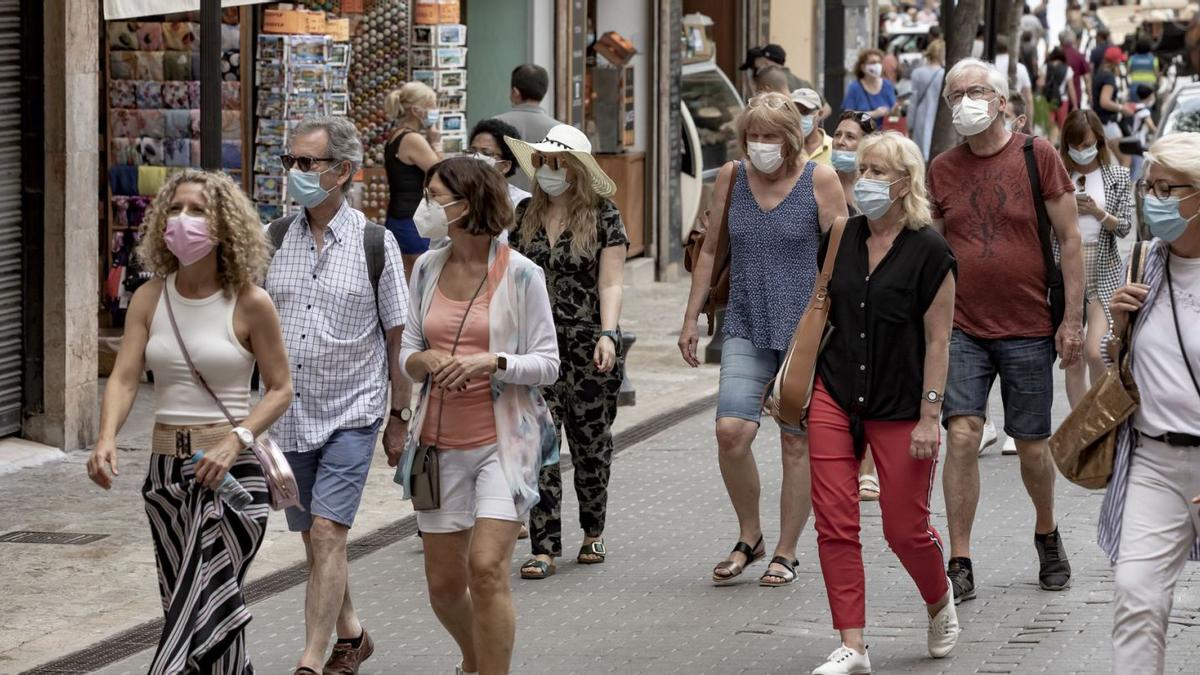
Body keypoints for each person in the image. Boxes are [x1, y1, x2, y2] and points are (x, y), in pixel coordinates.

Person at [87, 170, 293, 673]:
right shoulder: (150, 297)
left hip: (230, 474)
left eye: (197, 210)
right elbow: (125, 377)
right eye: (176, 209)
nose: (183, 220)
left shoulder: (249, 301)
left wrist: (235, 440)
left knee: (201, 602)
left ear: (224, 224)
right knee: (189, 602)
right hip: (164, 476)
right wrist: (106, 436)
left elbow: (281, 389)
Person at [927, 58, 1085, 605]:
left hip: (1028, 326)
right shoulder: (941, 168)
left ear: (999, 99)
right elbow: (935, 252)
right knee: (964, 436)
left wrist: (1071, 321)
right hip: (964, 326)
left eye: (975, 91)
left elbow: (1070, 239)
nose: (965, 102)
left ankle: (1046, 532)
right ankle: (960, 557)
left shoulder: (1036, 156)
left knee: (1034, 448)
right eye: (955, 95)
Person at [398, 157, 560, 675]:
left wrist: (493, 362)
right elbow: (408, 348)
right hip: (437, 449)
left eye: (434, 195)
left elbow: (549, 364)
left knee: (486, 568)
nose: (425, 205)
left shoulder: (520, 274)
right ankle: (475, 660)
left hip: (502, 447)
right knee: (444, 588)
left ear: (464, 205)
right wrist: (423, 361)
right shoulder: (426, 266)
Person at [678, 92, 847, 588]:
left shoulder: (821, 179)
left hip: (804, 331)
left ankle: (787, 550)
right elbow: (710, 250)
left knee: (796, 443)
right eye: (754, 136)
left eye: (771, 136)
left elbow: (842, 254)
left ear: (793, 139)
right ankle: (748, 536)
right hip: (746, 321)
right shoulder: (731, 177)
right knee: (732, 432)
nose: (761, 145)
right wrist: (690, 318)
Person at [807, 131, 960, 675]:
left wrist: (930, 416)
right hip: (834, 392)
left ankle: (939, 597)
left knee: (904, 528)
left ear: (904, 184)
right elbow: (824, 307)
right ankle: (853, 643)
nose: (863, 179)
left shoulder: (931, 251)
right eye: (861, 170)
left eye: (876, 172)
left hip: (902, 405)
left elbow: (940, 341)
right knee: (834, 521)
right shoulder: (842, 234)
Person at [267, 116, 412, 675]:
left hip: (353, 413)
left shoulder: (377, 243)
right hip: (289, 416)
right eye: (291, 163)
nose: (295, 174)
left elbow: (399, 339)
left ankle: (310, 658)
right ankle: (351, 633)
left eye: (307, 164)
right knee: (314, 537)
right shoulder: (274, 238)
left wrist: (398, 417)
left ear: (344, 172)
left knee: (328, 531)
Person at [504, 124, 628, 580]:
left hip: (587, 343)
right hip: (537, 347)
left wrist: (608, 334)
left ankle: (592, 530)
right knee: (539, 444)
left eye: (557, 162)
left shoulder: (604, 215)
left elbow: (611, 281)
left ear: (577, 168)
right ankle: (544, 546)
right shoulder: (524, 217)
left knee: (591, 445)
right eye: (542, 162)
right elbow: (511, 278)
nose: (548, 171)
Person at [1099, 132, 1200, 675]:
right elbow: (1114, 365)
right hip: (1154, 461)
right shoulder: (1143, 261)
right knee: (1136, 598)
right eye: (1149, 186)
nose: (1153, 199)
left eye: (1168, 189)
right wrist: (1116, 330)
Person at [1059, 109, 1134, 409]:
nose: (1081, 152)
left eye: (1087, 144)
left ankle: (1101, 417)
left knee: (1096, 350)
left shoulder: (1117, 176)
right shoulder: (1059, 174)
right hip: (1065, 266)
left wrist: (1098, 212)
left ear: (1099, 142)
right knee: (1071, 357)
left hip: (1102, 268)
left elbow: (1126, 226)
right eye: (1075, 146)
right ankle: (1081, 428)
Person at [830, 109, 885, 502]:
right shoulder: (822, 183)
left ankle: (868, 468)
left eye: (851, 137)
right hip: (836, 300)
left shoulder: (872, 190)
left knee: (869, 383)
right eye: (838, 136)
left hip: (873, 300)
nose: (842, 143)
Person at [384, 81, 442, 279]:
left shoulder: (396, 135)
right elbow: (442, 173)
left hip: (399, 215)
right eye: (432, 106)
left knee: (407, 276)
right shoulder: (412, 139)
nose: (435, 111)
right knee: (418, 279)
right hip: (412, 219)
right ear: (417, 111)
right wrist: (436, 143)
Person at [496, 64, 563, 192]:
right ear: (544, 92)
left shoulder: (494, 125)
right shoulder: (560, 130)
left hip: (502, 204)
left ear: (515, 92)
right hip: (544, 206)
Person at [738, 43, 830, 117]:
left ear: (766, 62)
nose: (755, 71)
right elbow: (826, 109)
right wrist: (809, 125)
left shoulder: (770, 82)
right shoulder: (804, 83)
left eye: (755, 67)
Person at [467, 117, 531, 213]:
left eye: (486, 153)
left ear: (505, 166)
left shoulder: (523, 203)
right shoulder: (458, 197)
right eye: (472, 151)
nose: (476, 157)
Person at [908, 39, 945, 160]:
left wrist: (910, 123)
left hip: (921, 114)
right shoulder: (944, 74)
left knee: (919, 150)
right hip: (939, 115)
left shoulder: (917, 73)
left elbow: (913, 101)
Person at [842, 49, 897, 126]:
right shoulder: (855, 87)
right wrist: (874, 113)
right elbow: (847, 114)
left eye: (879, 62)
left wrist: (898, 108)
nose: (877, 66)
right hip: (863, 135)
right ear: (863, 67)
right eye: (873, 62)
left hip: (884, 134)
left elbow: (892, 111)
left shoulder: (887, 85)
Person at [1094, 46, 1128, 165]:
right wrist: (1122, 108)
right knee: (1125, 159)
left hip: (1100, 123)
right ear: (1115, 62)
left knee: (1109, 162)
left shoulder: (1099, 73)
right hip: (1108, 123)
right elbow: (1105, 101)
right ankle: (1123, 184)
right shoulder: (1109, 77)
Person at [994, 37, 1034, 125]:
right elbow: (1028, 98)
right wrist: (1029, 123)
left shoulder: (990, 66)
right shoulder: (1021, 68)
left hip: (993, 113)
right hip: (1013, 113)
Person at [793, 88, 833, 165]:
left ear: (820, 114)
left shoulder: (834, 147)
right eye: (795, 112)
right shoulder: (786, 148)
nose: (799, 117)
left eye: (805, 111)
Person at [1060, 30, 1091, 112]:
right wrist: (1090, 97)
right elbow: (1087, 78)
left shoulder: (1055, 55)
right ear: (1073, 40)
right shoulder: (1078, 56)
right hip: (1075, 98)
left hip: (1056, 97)